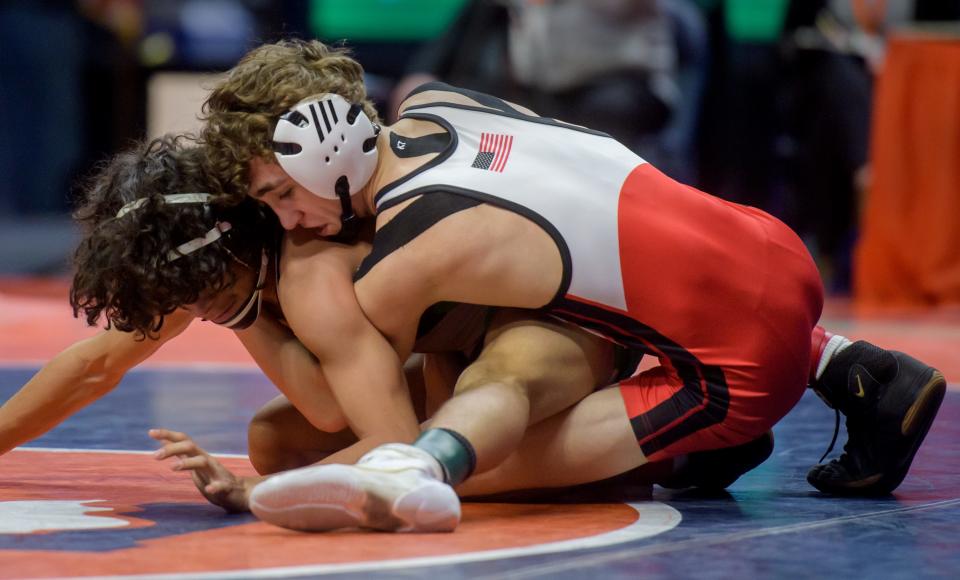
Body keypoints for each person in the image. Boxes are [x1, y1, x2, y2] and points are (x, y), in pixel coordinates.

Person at [198, 39, 946, 533]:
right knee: (561, 320)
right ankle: (846, 368)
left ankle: (691, 446)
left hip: (736, 368)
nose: (287, 219)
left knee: (493, 470)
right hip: (764, 242)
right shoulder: (439, 106)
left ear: (326, 144)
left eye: (277, 192)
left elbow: (350, 413)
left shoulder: (406, 253)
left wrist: (253, 483)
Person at [0, 136, 771, 516]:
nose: (190, 314)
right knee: (278, 442)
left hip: (543, 319)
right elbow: (99, 362)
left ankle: (690, 443)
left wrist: (242, 326)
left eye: (200, 298)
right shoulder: (212, 255)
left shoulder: (307, 268)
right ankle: (672, 439)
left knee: (465, 462)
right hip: (457, 341)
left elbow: (355, 419)